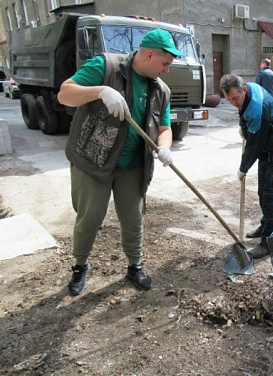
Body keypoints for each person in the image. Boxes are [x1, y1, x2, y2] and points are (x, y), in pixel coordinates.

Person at [57, 29, 183, 296]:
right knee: (90, 217)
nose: (167, 71)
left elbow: (164, 127)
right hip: (93, 161)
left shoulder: (161, 90)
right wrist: (100, 91)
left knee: (133, 217)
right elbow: (65, 94)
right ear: (149, 54)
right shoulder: (105, 66)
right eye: (165, 64)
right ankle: (80, 266)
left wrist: (165, 147)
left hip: (133, 165)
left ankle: (134, 265)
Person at [220, 74, 273, 258]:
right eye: (229, 99)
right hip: (268, 151)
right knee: (263, 193)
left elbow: (254, 145)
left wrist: (243, 167)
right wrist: (244, 127)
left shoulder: (258, 108)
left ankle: (268, 242)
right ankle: (266, 226)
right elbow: (244, 115)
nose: (233, 103)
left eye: (235, 98)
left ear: (243, 89)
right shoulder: (249, 92)